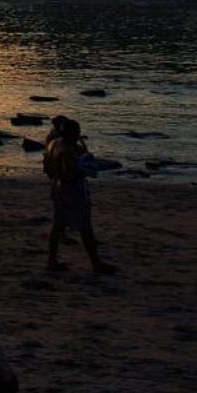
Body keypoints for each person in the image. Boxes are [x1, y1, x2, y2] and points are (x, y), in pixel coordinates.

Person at [42, 117, 115, 275]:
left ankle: (51, 261)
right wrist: (84, 168)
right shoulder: (69, 150)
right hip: (71, 191)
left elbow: (47, 168)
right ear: (72, 133)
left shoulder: (53, 145)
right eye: (78, 132)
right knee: (85, 227)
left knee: (58, 225)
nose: (79, 135)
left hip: (56, 188)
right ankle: (96, 263)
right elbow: (70, 174)